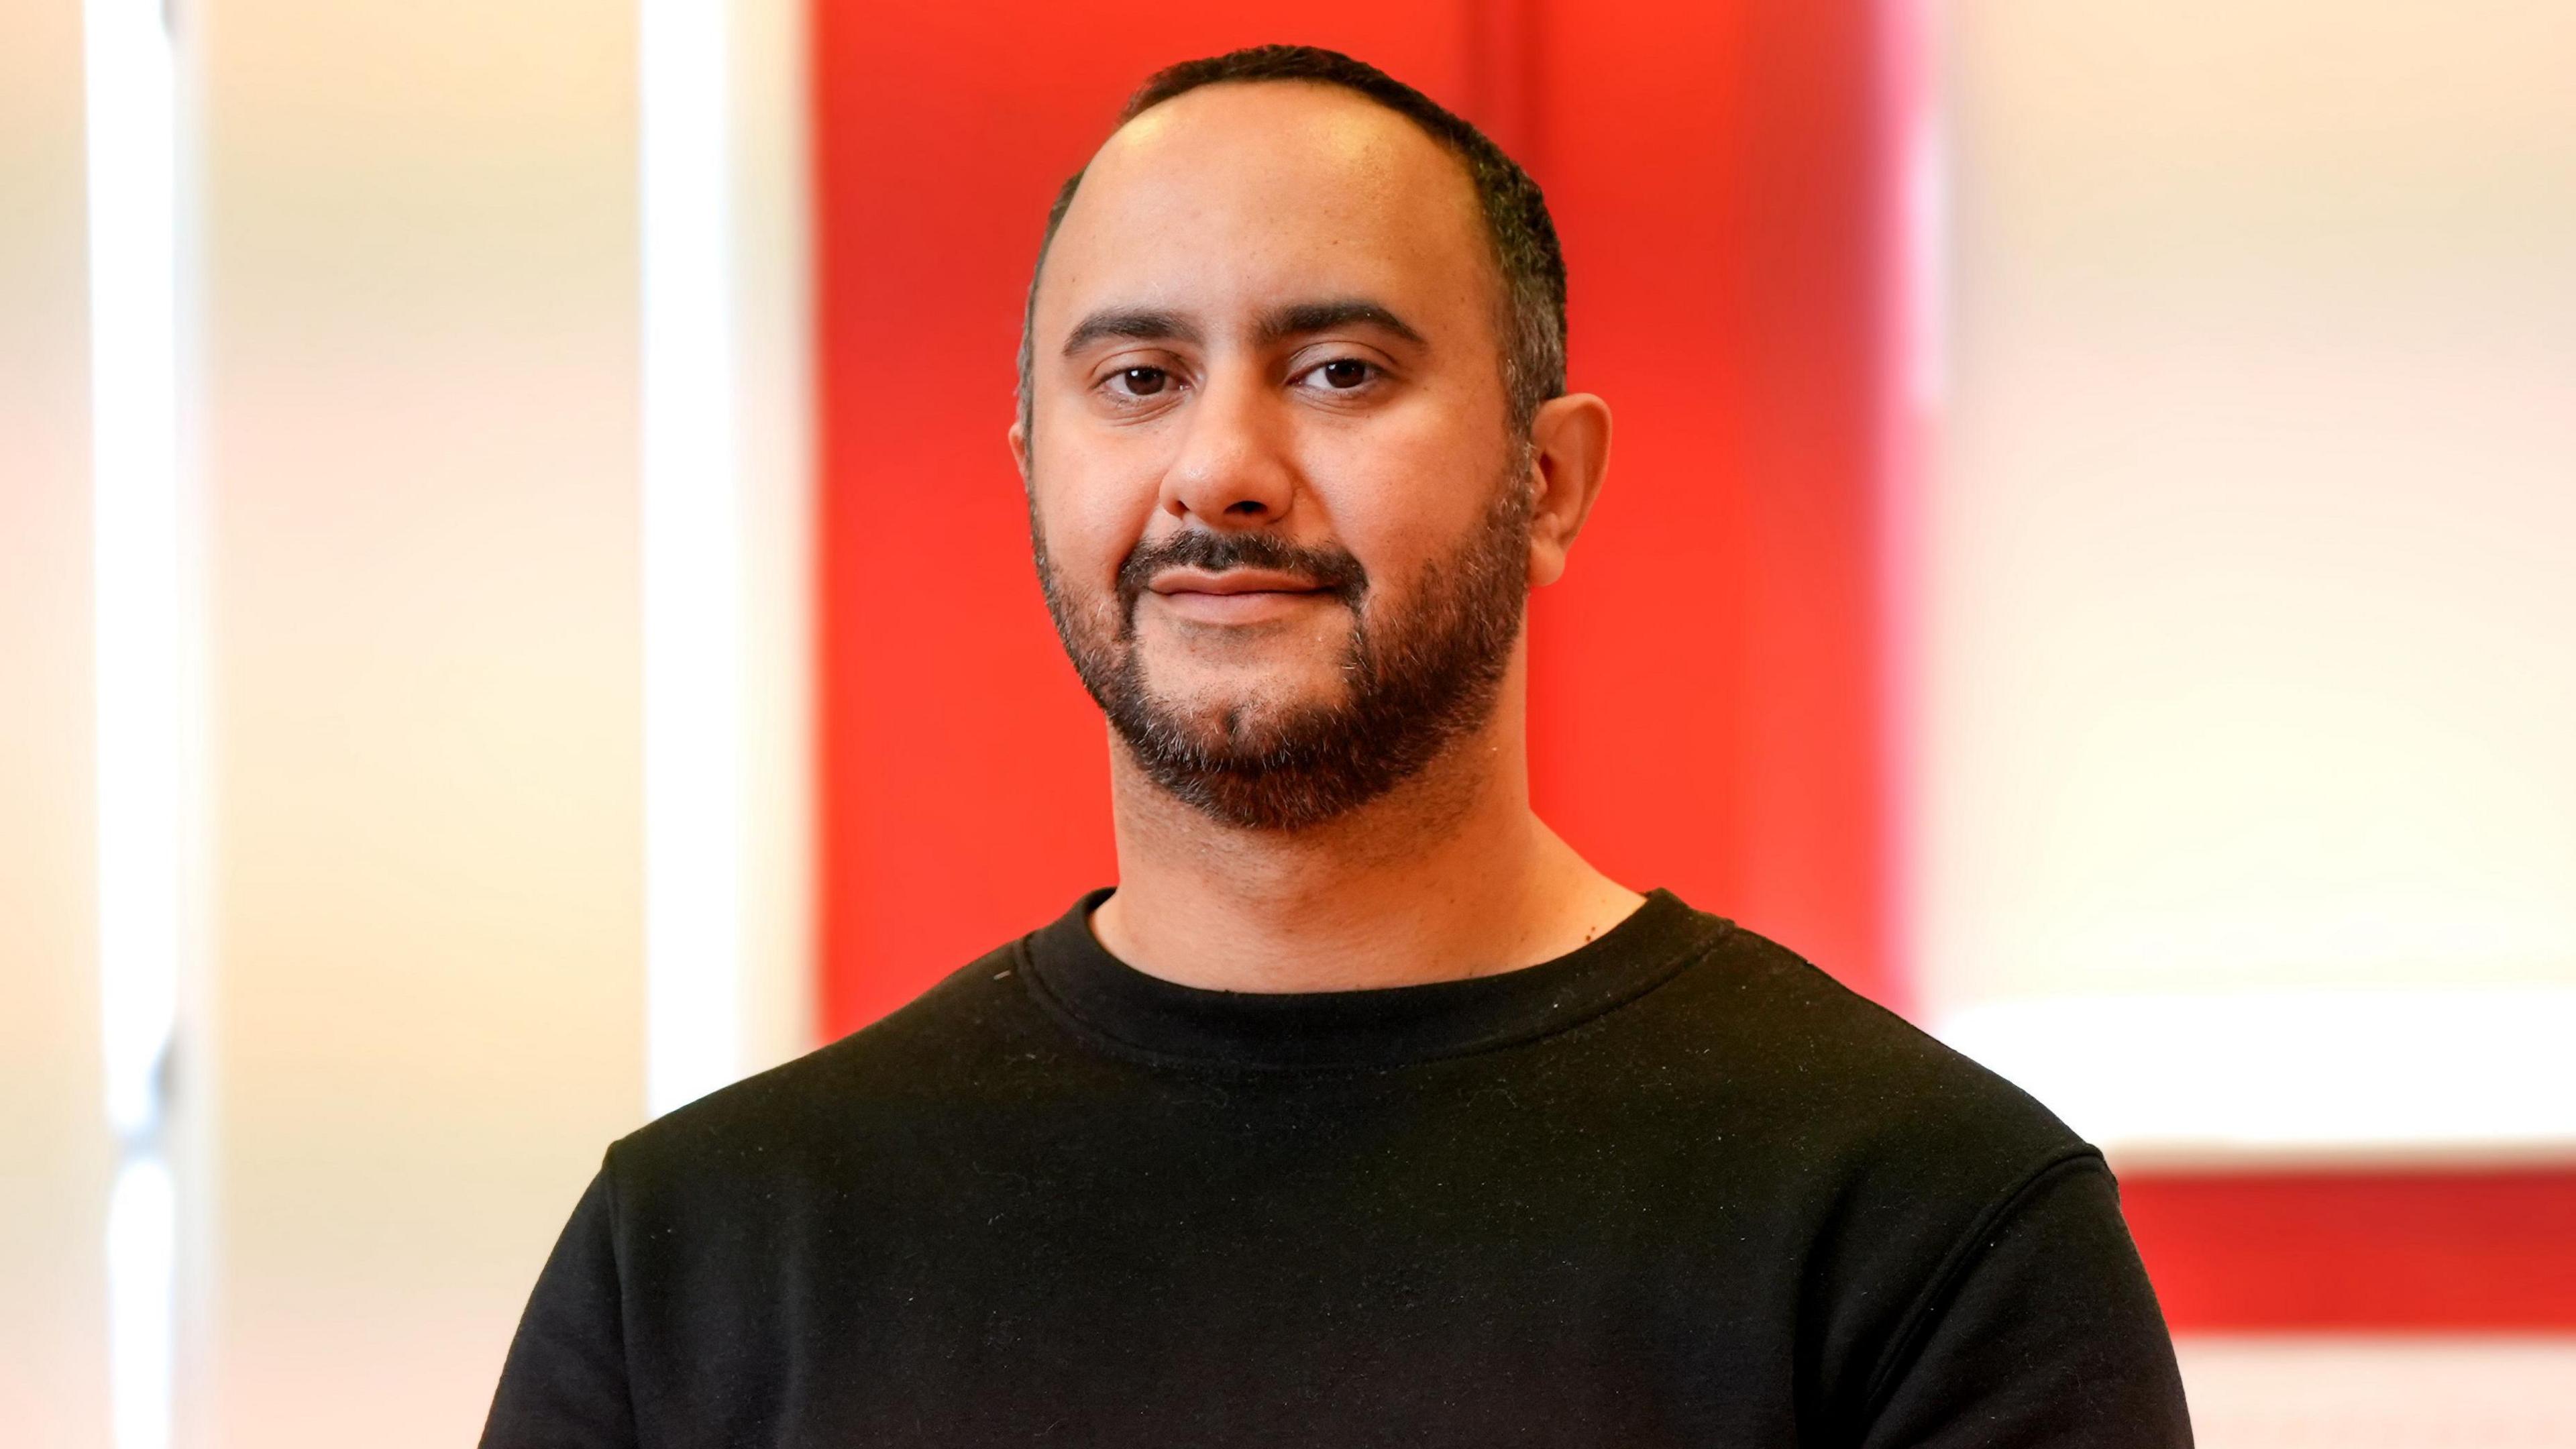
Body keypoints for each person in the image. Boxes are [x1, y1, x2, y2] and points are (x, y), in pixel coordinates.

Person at [482, 44, 2192, 1447]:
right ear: (1032, 468)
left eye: (1340, 370)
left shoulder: (1925, 1230)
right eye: (1138, 379)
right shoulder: (699, 1260)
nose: (1220, 467)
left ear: (1549, 481)